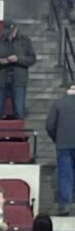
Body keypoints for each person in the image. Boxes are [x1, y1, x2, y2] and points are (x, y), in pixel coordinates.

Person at [0, 20, 36, 119]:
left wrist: (18, 59)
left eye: (10, 31)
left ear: (15, 29)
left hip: (18, 79)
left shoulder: (25, 41)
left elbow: (32, 59)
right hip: (0, 78)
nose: (8, 34)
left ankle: (18, 132)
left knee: (19, 109)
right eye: (6, 32)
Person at [46, 81, 75, 215]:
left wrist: (57, 138)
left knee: (64, 174)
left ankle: (65, 204)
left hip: (63, 144)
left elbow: (50, 125)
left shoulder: (58, 104)